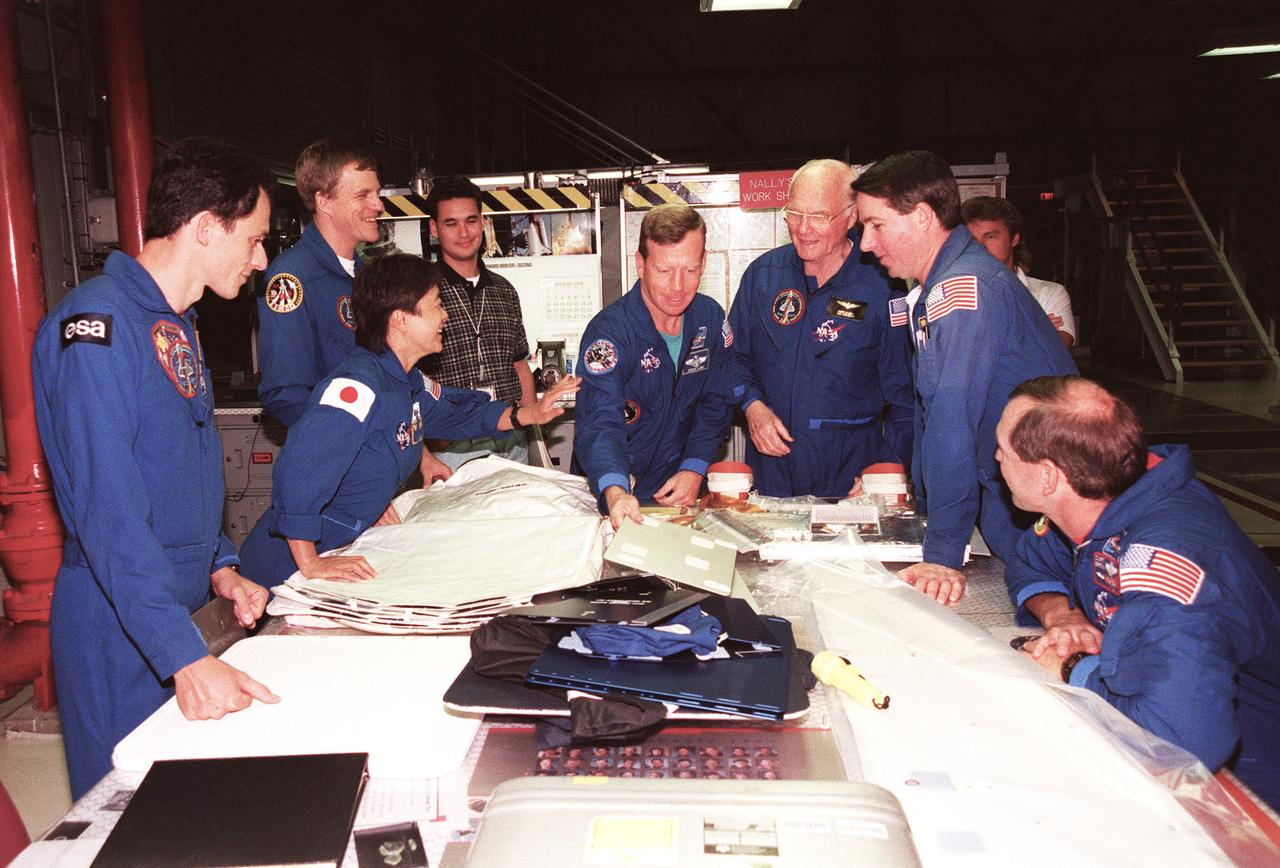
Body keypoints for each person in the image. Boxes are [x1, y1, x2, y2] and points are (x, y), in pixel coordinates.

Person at [32, 138, 279, 798]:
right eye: (253, 239)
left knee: (189, 807)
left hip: (179, 602)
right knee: (127, 811)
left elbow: (184, 469)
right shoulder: (95, 329)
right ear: (204, 227)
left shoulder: (176, 325)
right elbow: (109, 516)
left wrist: (220, 567)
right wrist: (184, 655)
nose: (260, 260)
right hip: (119, 617)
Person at [998, 376, 1280, 810]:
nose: (996, 455)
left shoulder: (1162, 563)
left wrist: (1072, 666)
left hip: (1248, 791)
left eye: (1004, 448)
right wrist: (1061, 614)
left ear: (1049, 476)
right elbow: (1031, 558)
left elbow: (1180, 742)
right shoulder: (1105, 497)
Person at [239, 254, 578, 586]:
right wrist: (310, 562)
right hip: (280, 572)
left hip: (342, 549)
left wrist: (528, 413)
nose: (445, 316)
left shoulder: (407, 381)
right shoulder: (356, 389)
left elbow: (457, 413)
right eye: (437, 305)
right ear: (401, 318)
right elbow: (300, 472)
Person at [853, 150, 1077, 604]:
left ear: (920, 217)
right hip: (1008, 494)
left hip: (1049, 502)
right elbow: (929, 412)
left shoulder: (964, 289)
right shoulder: (940, 285)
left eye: (875, 225)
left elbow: (951, 420)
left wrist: (942, 552)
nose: (865, 244)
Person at [728, 159, 913, 498]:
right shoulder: (763, 276)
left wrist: (888, 468)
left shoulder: (883, 284)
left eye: (819, 217)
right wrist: (753, 407)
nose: (803, 228)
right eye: (795, 214)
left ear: (851, 216)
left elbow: (906, 397)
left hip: (852, 475)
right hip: (773, 474)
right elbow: (733, 360)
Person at [574, 204, 734, 529]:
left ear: (704, 262)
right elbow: (600, 419)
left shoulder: (710, 319)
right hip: (612, 492)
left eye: (690, 269)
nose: (677, 286)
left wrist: (694, 467)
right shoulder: (609, 334)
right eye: (664, 270)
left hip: (677, 492)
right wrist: (615, 489)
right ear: (640, 264)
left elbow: (715, 403)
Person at [256, 139, 385, 428]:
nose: (378, 205)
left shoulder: (364, 276)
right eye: (363, 195)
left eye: (376, 193)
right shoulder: (291, 279)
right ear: (324, 201)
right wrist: (346, 444)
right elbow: (287, 396)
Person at [418, 176, 536, 470]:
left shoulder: (504, 290)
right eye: (450, 223)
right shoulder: (420, 292)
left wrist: (530, 428)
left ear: (482, 222)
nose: (463, 232)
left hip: (511, 443)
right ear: (434, 228)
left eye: (471, 221)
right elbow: (404, 377)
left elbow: (520, 366)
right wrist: (427, 451)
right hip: (452, 448)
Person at [961, 196, 1076, 348]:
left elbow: (1058, 348)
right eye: (972, 240)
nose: (980, 246)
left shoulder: (1048, 293)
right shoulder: (955, 293)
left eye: (990, 236)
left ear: (1014, 239)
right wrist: (1034, 330)